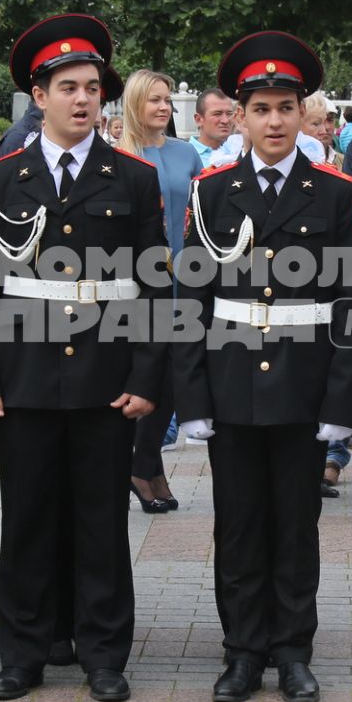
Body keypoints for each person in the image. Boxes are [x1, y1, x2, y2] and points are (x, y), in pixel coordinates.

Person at [0, 14, 166, 702]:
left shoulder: (132, 179)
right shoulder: (0, 179)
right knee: (26, 520)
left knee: (101, 523)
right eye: (67, 88)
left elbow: (153, 285)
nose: (83, 100)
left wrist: (146, 377)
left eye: (93, 89)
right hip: (22, 380)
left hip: (106, 379)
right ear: (37, 97)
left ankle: (104, 653)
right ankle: (23, 652)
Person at [173, 31, 352, 702]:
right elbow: (190, 300)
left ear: (302, 112)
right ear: (242, 118)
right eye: (261, 109)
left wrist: (342, 406)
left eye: (286, 106)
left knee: (296, 525)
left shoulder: (335, 193)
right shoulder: (211, 192)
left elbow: (350, 305)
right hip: (230, 384)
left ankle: (292, 651)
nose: (275, 121)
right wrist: (191, 400)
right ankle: (242, 651)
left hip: (303, 386)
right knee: (239, 525)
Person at [116, 68, 201, 514]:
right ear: (135, 105)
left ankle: (144, 465)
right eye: (154, 100)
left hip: (183, 281)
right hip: (136, 286)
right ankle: (143, 467)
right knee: (147, 376)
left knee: (173, 380)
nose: (164, 107)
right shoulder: (119, 157)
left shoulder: (186, 154)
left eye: (167, 99)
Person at [188, 87, 239, 168]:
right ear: (198, 119)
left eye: (229, 114)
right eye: (217, 114)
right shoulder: (184, 155)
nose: (225, 121)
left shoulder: (241, 152)